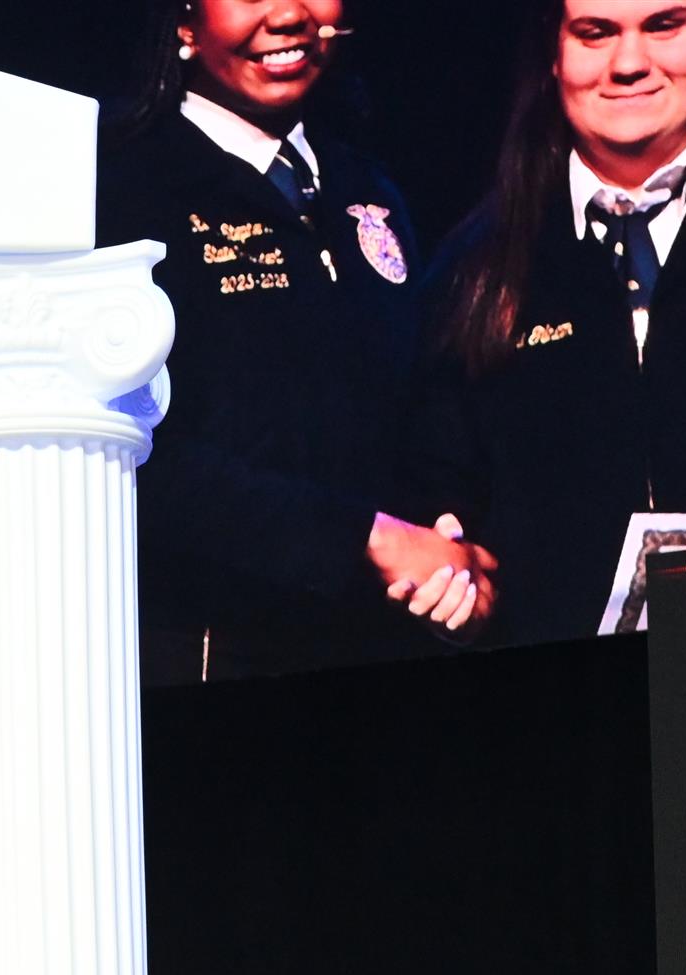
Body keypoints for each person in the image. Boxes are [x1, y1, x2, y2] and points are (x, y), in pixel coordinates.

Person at [99, 0, 494, 680]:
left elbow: (421, 406)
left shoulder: (367, 187)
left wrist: (449, 552)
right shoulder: (122, 183)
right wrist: (363, 538)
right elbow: (130, 452)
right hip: (205, 648)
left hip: (373, 638)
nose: (287, 13)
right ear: (185, 22)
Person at [412, 0, 686, 647]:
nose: (630, 62)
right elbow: (440, 490)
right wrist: (458, 570)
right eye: (595, 33)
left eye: (663, 25)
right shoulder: (476, 265)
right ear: (553, 55)